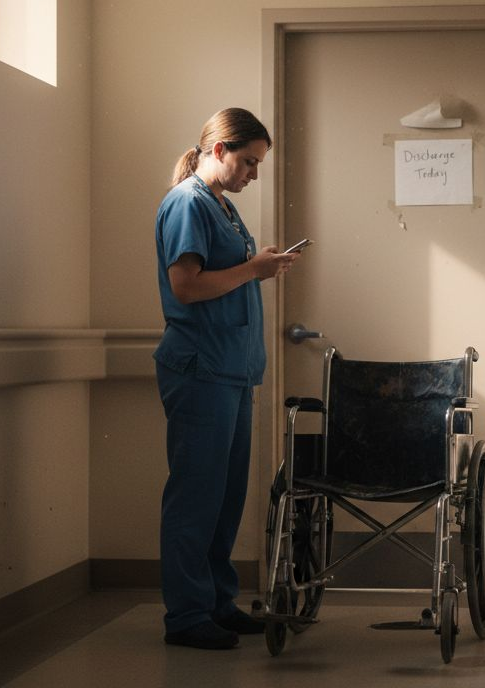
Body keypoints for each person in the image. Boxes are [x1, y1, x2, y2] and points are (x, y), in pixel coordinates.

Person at [153, 108, 297, 650]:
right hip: (201, 368)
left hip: (231, 369)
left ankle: (216, 602)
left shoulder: (221, 205)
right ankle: (187, 616)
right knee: (197, 495)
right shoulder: (187, 203)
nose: (254, 174)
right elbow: (186, 286)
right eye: (249, 162)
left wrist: (259, 264)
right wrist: (254, 270)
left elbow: (226, 276)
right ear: (219, 150)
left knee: (225, 496)